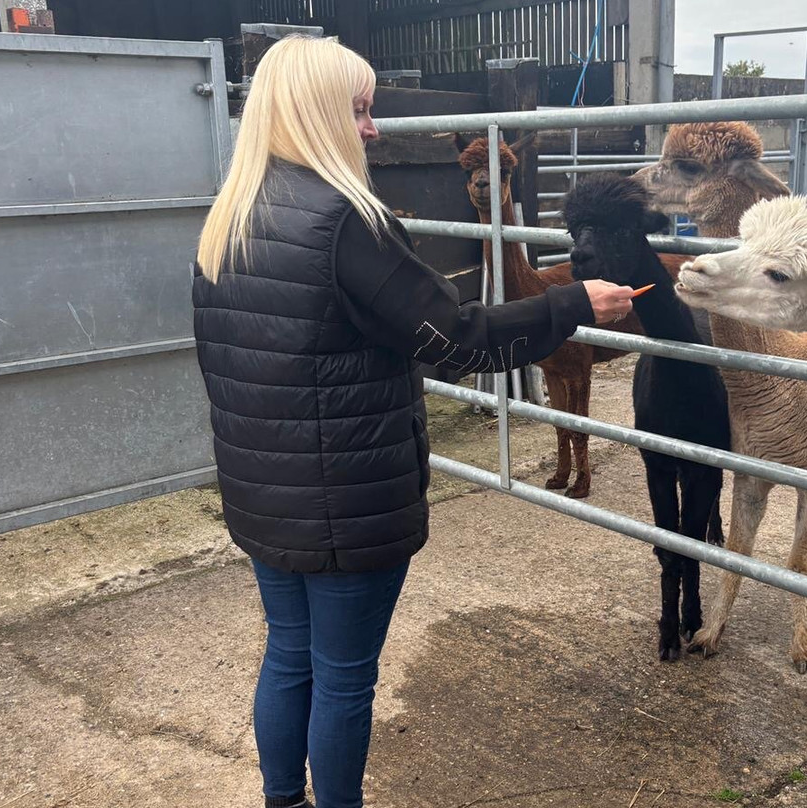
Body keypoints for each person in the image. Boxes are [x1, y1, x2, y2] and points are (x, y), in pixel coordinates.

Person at [190, 35, 634, 808]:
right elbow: (455, 339)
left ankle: (281, 800)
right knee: (344, 680)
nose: (372, 129)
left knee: (290, 655)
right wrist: (573, 304)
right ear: (314, 114)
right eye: (359, 111)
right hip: (346, 504)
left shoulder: (229, 219)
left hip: (265, 495)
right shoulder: (345, 223)